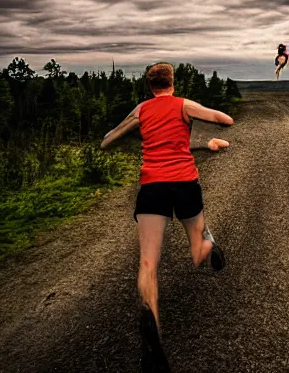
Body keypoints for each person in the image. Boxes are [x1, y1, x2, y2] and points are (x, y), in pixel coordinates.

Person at [100, 62, 233, 369]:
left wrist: (126, 137)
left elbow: (108, 140)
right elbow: (225, 119)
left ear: (150, 86)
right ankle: (210, 244)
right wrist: (202, 123)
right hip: (185, 183)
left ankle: (152, 328)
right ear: (172, 82)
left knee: (148, 261)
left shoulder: (141, 110)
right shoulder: (184, 105)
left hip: (152, 186)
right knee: (198, 249)